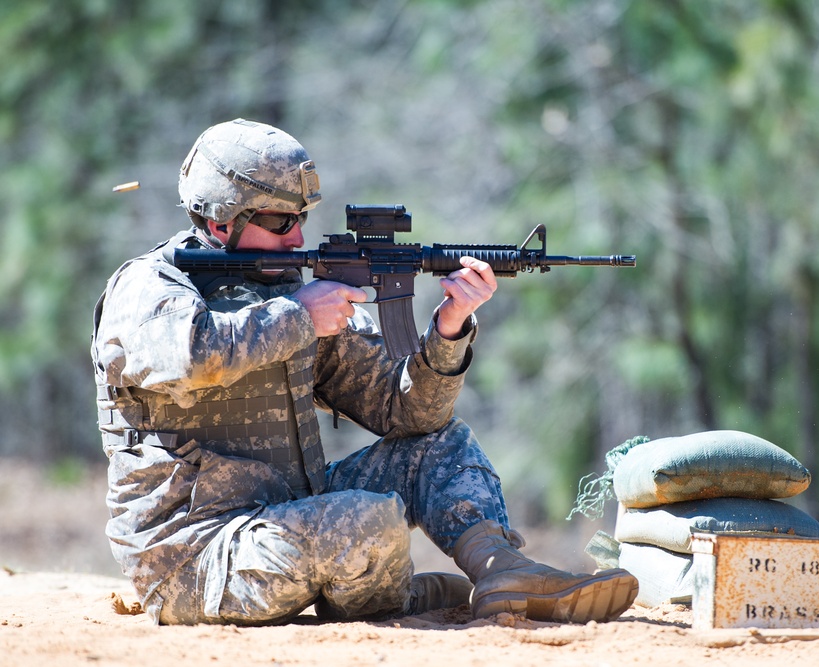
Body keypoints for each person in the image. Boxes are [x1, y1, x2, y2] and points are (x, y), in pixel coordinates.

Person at [91, 118, 638, 626]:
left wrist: (448, 330)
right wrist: (301, 317)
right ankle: (399, 595)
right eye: (282, 221)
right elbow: (192, 356)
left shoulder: (290, 288)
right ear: (220, 218)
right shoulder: (150, 287)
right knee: (364, 520)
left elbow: (407, 412)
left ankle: (502, 570)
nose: (298, 237)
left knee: (439, 443)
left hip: (287, 514)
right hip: (193, 553)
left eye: (302, 219)